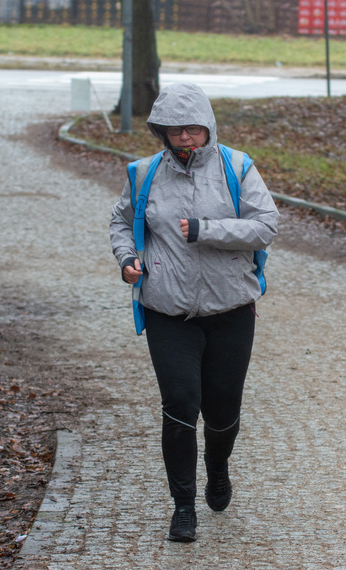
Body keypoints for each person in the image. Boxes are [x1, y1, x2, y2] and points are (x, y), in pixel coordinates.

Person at [109, 83, 279, 542]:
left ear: (208, 128)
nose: (184, 138)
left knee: (223, 412)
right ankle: (183, 506)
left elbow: (266, 226)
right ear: (160, 133)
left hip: (231, 310)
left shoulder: (237, 167)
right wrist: (127, 260)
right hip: (168, 310)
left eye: (192, 130)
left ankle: (217, 466)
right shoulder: (143, 173)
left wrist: (206, 230)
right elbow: (122, 221)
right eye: (173, 131)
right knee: (180, 406)